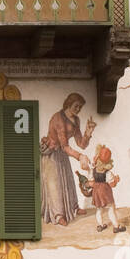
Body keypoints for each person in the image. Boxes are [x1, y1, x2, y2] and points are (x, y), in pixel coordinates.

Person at [40, 93, 93, 225]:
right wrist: (80, 156)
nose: (78, 109)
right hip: (51, 153)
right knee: (55, 184)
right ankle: (58, 215)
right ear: (69, 103)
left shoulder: (76, 120)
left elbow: (81, 143)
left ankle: (74, 208)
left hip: (63, 153)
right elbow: (64, 145)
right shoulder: (58, 118)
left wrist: (88, 132)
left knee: (68, 180)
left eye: (80, 107)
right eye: (76, 106)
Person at [79, 145, 125, 233]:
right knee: (111, 209)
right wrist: (116, 180)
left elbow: (91, 182)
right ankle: (116, 227)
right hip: (106, 193)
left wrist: (92, 184)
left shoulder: (93, 170)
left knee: (99, 209)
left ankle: (100, 225)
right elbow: (112, 185)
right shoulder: (108, 173)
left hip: (97, 192)